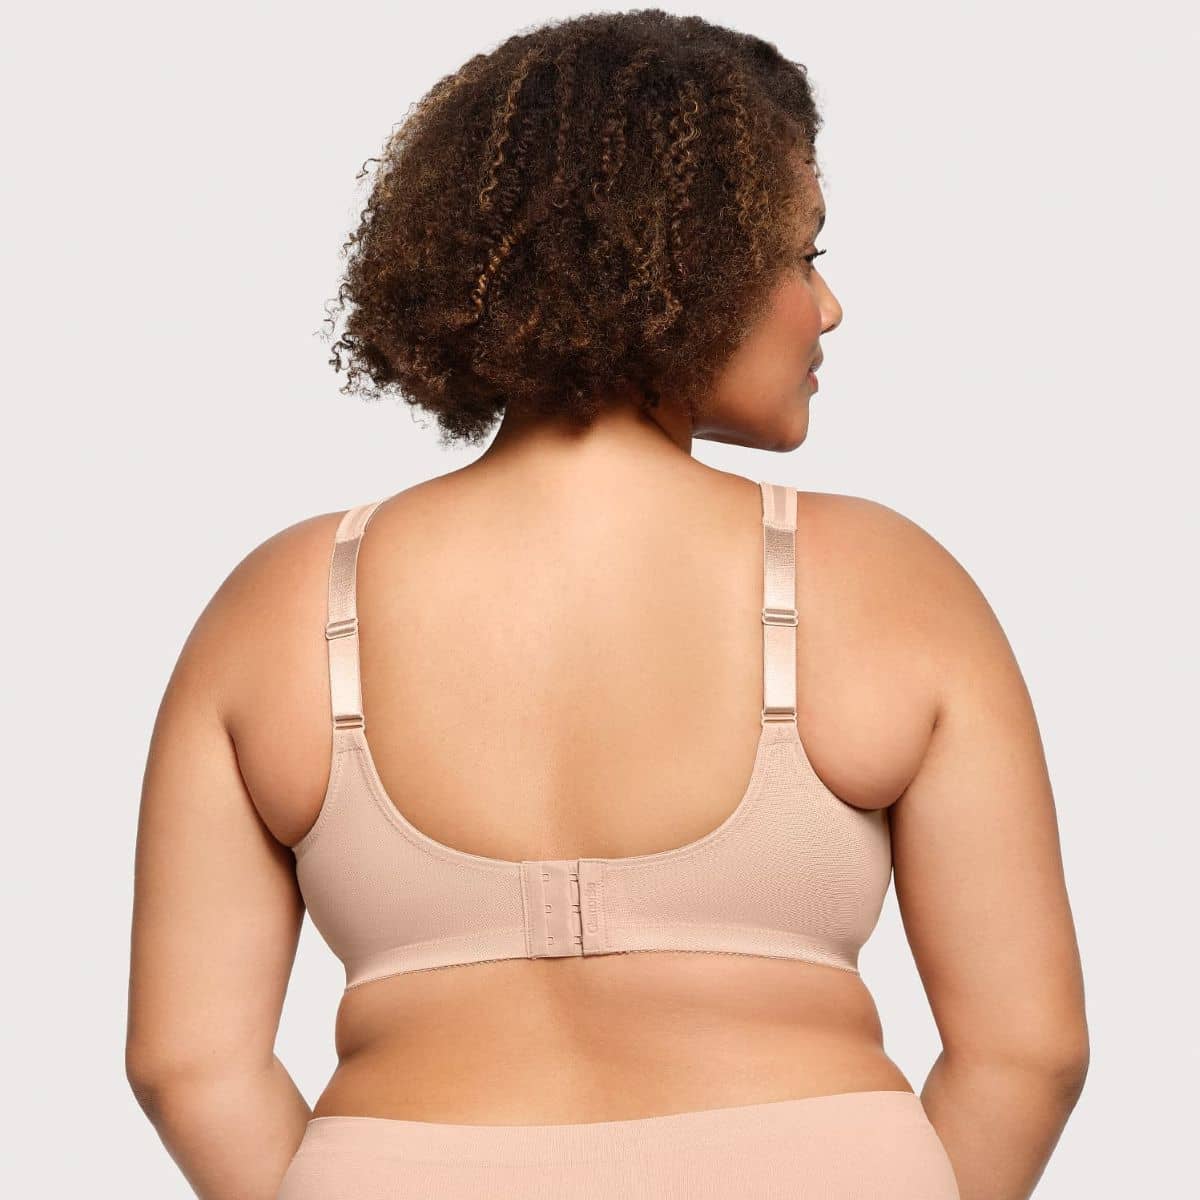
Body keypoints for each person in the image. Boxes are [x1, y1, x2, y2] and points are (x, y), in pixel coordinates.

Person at [125, 10, 1089, 1198]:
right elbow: (1028, 1050)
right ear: (691, 262)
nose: (828, 308)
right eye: (803, 257)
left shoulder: (279, 603)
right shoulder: (885, 581)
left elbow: (188, 1063)